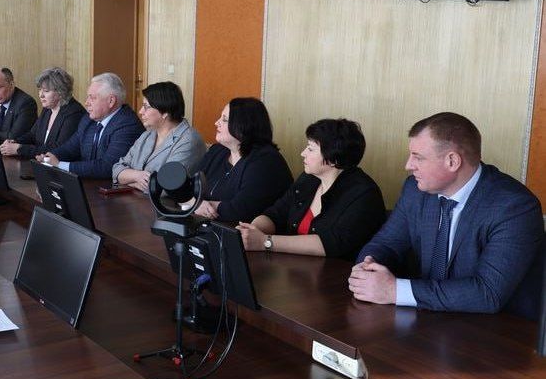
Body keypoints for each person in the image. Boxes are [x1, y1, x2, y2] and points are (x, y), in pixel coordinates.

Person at [349, 112, 544, 317]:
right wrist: (367, 270)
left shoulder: (514, 207)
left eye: (418, 157)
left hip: (495, 327)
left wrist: (395, 291)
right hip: (428, 317)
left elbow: (488, 293)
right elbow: (386, 244)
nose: (408, 165)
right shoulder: (415, 190)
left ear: (452, 161)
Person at [236, 118, 386, 260]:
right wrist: (251, 231)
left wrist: (265, 242)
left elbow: (334, 243)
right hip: (293, 268)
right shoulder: (309, 179)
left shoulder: (364, 194)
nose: (303, 153)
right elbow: (276, 214)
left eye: (310, 149)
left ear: (333, 159)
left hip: (336, 274)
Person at [193, 97, 292, 222]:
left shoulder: (266, 161)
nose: (216, 123)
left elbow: (240, 211)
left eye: (224, 119)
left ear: (243, 126)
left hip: (243, 231)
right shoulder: (218, 151)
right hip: (205, 227)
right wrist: (196, 204)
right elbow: (188, 188)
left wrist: (199, 205)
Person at [38, 73, 144, 179]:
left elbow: (107, 167)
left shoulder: (127, 125)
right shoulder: (88, 120)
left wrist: (59, 165)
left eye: (92, 98)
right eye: (87, 97)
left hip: (111, 186)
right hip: (90, 182)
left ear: (111, 101)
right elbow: (70, 148)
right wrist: (49, 157)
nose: (86, 103)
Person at [112, 81, 206, 192]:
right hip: (136, 199)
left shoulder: (189, 140)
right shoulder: (147, 135)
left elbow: (167, 186)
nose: (141, 111)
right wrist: (137, 177)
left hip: (166, 203)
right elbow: (117, 170)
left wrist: (129, 181)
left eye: (146, 107)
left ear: (165, 112)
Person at [0, 67, 86, 159]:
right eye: (40, 90)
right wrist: (14, 142)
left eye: (46, 91)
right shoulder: (48, 108)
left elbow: (57, 149)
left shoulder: (74, 113)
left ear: (61, 92)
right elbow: (32, 135)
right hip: (41, 162)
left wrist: (20, 149)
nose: (41, 95)